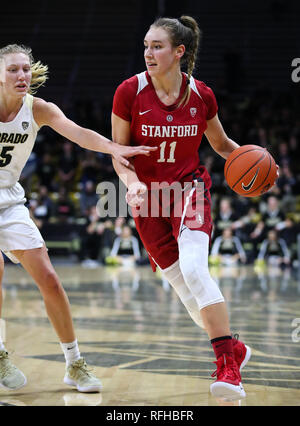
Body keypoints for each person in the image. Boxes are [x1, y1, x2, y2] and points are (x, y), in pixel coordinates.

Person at [111, 16, 253, 400]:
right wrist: (133, 183)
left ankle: (228, 365)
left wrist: (257, 166)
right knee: (185, 291)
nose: (148, 53)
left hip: (189, 189)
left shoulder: (201, 95)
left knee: (194, 268)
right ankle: (233, 348)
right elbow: (119, 155)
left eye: (157, 46)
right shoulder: (129, 91)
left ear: (179, 52)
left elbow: (223, 146)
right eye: (145, 45)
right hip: (149, 200)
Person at [0, 43, 156, 392]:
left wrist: (115, 148)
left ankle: (74, 364)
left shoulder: (37, 109)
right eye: (13, 69)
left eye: (25, 68)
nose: (22, 75)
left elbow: (78, 133)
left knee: (50, 280)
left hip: (9, 202)